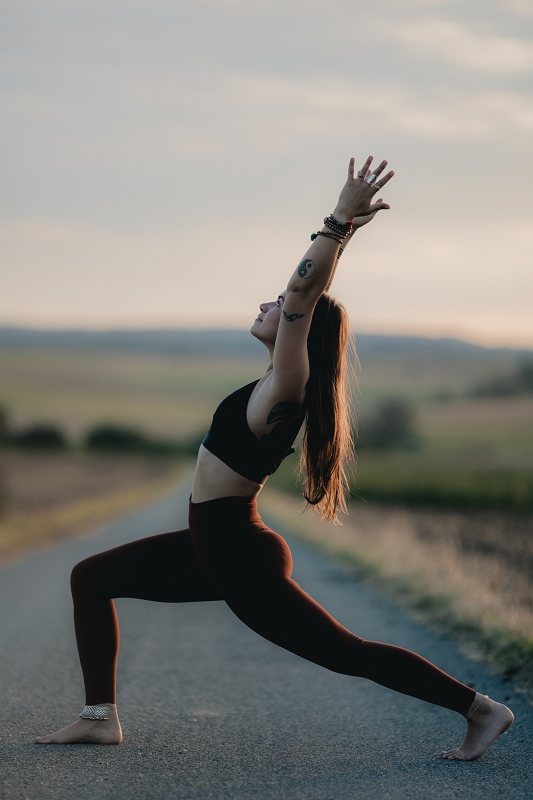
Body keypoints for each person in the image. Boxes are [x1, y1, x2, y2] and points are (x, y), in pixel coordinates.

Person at [36, 156, 513, 761]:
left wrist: (339, 220)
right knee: (91, 577)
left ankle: (481, 709)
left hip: (238, 556)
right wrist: (341, 236)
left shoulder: (285, 388)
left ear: (301, 333)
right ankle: (99, 719)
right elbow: (302, 294)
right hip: (213, 546)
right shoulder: (271, 385)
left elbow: (303, 291)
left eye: (282, 307)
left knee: (345, 653)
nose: (271, 303)